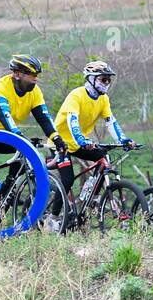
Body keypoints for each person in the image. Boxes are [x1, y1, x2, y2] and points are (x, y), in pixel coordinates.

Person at [0, 54, 65, 214]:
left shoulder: (35, 92)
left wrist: (56, 138)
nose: (35, 79)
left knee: (24, 152)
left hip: (1, 137)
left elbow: (43, 117)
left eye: (37, 75)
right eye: (32, 74)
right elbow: (4, 115)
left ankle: (6, 191)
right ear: (17, 74)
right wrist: (18, 135)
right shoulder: (0, 89)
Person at [53, 60, 139, 198]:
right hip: (61, 144)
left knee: (102, 160)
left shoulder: (103, 99)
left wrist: (123, 139)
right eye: (103, 79)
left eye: (108, 80)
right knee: (68, 180)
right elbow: (72, 121)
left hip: (79, 144)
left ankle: (92, 200)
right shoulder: (76, 95)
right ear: (91, 79)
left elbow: (110, 121)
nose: (106, 83)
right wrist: (82, 140)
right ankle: (53, 217)